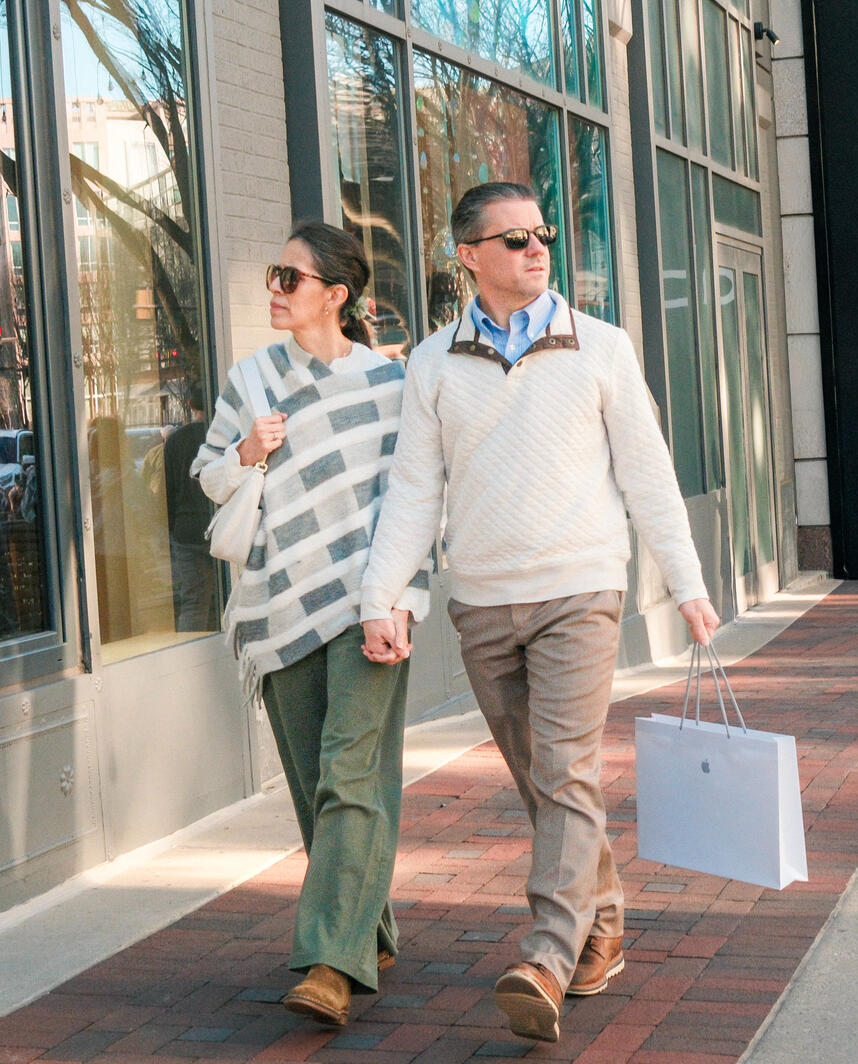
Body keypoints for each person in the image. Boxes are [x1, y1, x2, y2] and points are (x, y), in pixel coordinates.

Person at [359, 182, 719, 1044]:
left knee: (564, 769)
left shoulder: (599, 346)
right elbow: (413, 489)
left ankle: (546, 958)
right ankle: (602, 920)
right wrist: (381, 596)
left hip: (580, 590)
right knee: (543, 781)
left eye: (541, 234)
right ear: (468, 257)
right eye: (512, 238)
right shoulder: (432, 364)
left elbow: (647, 474)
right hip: (482, 600)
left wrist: (687, 582)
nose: (534, 248)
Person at [191, 221, 430, 1027]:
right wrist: (248, 452)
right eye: (273, 275)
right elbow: (207, 478)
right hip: (276, 605)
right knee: (313, 787)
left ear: (336, 294)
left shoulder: (387, 384)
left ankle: (330, 961)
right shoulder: (249, 381)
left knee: (349, 774)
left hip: (367, 599)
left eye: (290, 279)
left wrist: (403, 597)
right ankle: (371, 927)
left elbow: (414, 499)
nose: (275, 290)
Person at [163, 383, 217, 632]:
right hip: (219, 527)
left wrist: (172, 526)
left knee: (193, 602)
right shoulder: (221, 437)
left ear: (190, 405)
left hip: (186, 530)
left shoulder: (176, 441)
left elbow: (168, 489)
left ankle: (191, 650)